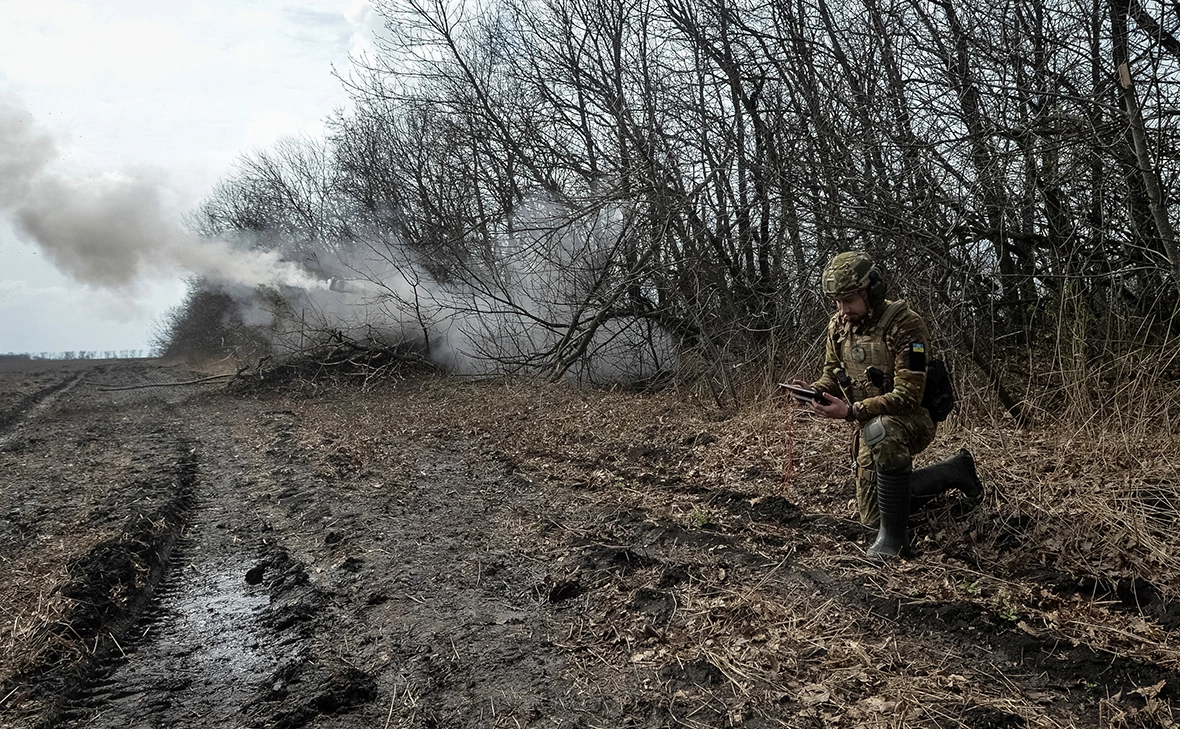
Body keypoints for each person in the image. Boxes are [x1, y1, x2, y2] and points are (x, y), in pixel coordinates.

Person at [792, 251, 982, 558]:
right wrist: (813, 391)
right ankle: (955, 471)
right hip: (871, 424)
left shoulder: (907, 326)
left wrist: (851, 411)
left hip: (911, 420)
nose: (843, 309)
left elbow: (908, 396)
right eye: (837, 302)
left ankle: (895, 542)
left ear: (872, 291)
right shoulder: (839, 327)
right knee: (872, 518)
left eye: (849, 300)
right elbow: (832, 374)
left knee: (883, 430)